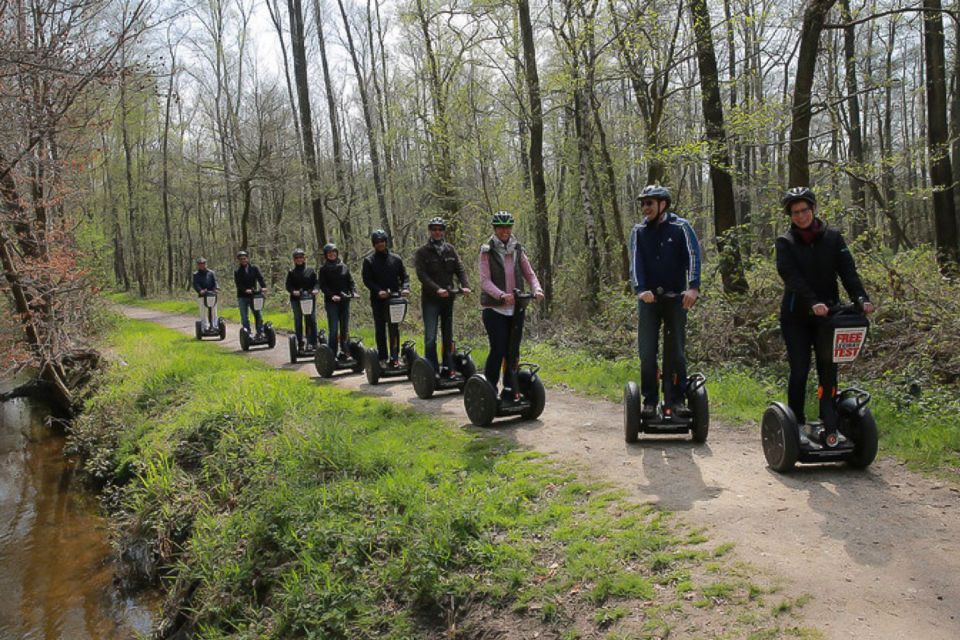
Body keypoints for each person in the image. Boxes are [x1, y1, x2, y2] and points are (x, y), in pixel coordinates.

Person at [776, 187, 874, 430]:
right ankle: (795, 423)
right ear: (790, 215)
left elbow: (847, 271)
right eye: (795, 212)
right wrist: (811, 301)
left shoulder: (832, 237)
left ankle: (827, 419)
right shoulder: (785, 242)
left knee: (828, 369)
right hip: (795, 317)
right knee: (800, 369)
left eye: (804, 210)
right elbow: (791, 276)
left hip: (829, 317)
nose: (801, 216)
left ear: (814, 209)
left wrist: (861, 298)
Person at [629, 185, 702, 419]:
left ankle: (677, 399)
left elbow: (693, 256)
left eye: (649, 203)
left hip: (676, 299)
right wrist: (641, 290)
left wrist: (692, 287)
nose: (645, 208)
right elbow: (635, 262)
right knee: (648, 352)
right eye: (643, 203)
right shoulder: (639, 230)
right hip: (649, 301)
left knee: (676, 352)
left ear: (663, 204)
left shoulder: (681, 227)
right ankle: (650, 400)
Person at [478, 211, 544, 402]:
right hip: (494, 309)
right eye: (501, 227)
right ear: (495, 229)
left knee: (513, 351)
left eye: (508, 227)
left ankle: (509, 388)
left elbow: (529, 274)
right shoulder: (487, 250)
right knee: (498, 349)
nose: (505, 231)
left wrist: (537, 289)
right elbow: (484, 281)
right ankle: (488, 391)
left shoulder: (517, 249)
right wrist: (500, 295)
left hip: (516, 308)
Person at [413, 216, 471, 376]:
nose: (437, 232)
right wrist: (437, 289)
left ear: (443, 232)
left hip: (448, 299)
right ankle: (431, 368)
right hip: (431, 300)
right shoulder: (422, 252)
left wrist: (465, 285)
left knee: (448, 335)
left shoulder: (450, 249)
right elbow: (422, 275)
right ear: (430, 231)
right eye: (434, 229)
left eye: (440, 229)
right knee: (431, 335)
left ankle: (448, 366)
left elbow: (460, 269)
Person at [362, 230, 410, 366]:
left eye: (382, 241)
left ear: (386, 242)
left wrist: (405, 288)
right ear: (374, 244)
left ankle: (395, 357)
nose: (380, 244)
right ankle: (382, 358)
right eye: (377, 242)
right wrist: (378, 291)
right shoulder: (369, 260)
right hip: (378, 300)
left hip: (395, 299)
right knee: (380, 328)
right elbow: (367, 280)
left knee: (394, 327)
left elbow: (404, 276)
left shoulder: (396, 259)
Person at [317, 242, 357, 359]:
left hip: (345, 301)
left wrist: (353, 291)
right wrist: (331, 296)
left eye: (334, 252)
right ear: (326, 255)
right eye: (329, 253)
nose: (332, 254)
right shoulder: (324, 269)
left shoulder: (344, 266)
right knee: (334, 329)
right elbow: (323, 286)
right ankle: (332, 355)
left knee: (345, 328)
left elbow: (350, 281)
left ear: (337, 253)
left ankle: (345, 352)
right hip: (331, 303)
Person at [284, 248, 319, 351]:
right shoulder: (292, 272)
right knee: (298, 320)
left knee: (311, 319)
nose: (299, 259)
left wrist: (316, 290)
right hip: (296, 300)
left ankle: (312, 342)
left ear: (304, 258)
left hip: (309, 298)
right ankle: (300, 343)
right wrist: (293, 291)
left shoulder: (311, 270)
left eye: (301, 257)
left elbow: (316, 282)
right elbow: (288, 285)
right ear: (294, 260)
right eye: (297, 258)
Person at [234, 250, 268, 337]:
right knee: (244, 317)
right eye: (241, 259)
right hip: (242, 296)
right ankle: (247, 333)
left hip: (254, 295)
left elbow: (260, 278)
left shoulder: (254, 268)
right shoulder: (237, 271)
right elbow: (238, 284)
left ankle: (260, 332)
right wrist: (245, 290)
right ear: (239, 260)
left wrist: (263, 287)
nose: (243, 260)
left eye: (244, 258)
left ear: (247, 259)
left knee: (258, 314)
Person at [192, 257, 219, 330]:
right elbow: (195, 284)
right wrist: (200, 290)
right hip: (202, 295)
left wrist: (216, 288)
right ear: (198, 265)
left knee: (214, 311)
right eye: (200, 264)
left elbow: (215, 281)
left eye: (203, 263)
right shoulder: (196, 274)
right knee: (203, 312)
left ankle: (215, 326)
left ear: (205, 264)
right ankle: (204, 327)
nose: (202, 265)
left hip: (212, 295)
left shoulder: (211, 273)